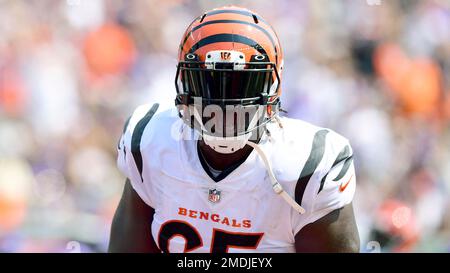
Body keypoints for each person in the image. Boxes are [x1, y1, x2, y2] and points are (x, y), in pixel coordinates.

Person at [108, 5, 359, 253]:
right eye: (209, 84)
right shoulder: (151, 143)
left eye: (242, 85)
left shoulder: (309, 167)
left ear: (273, 86)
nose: (224, 104)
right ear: (184, 84)